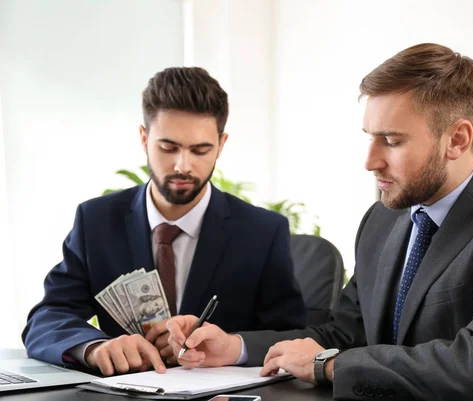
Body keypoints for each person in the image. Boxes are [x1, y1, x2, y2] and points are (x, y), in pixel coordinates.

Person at [165, 44, 473, 400]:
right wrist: (235, 348)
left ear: (458, 139)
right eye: (370, 136)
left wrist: (327, 365)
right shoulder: (386, 218)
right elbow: (347, 333)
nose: (370, 161)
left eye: (392, 140)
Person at [22, 66, 306, 377]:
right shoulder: (96, 222)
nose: (183, 166)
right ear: (144, 138)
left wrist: (232, 345)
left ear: (221, 145)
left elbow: (290, 337)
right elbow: (48, 317)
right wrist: (93, 348)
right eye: (168, 148)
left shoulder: (263, 232)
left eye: (200, 150)